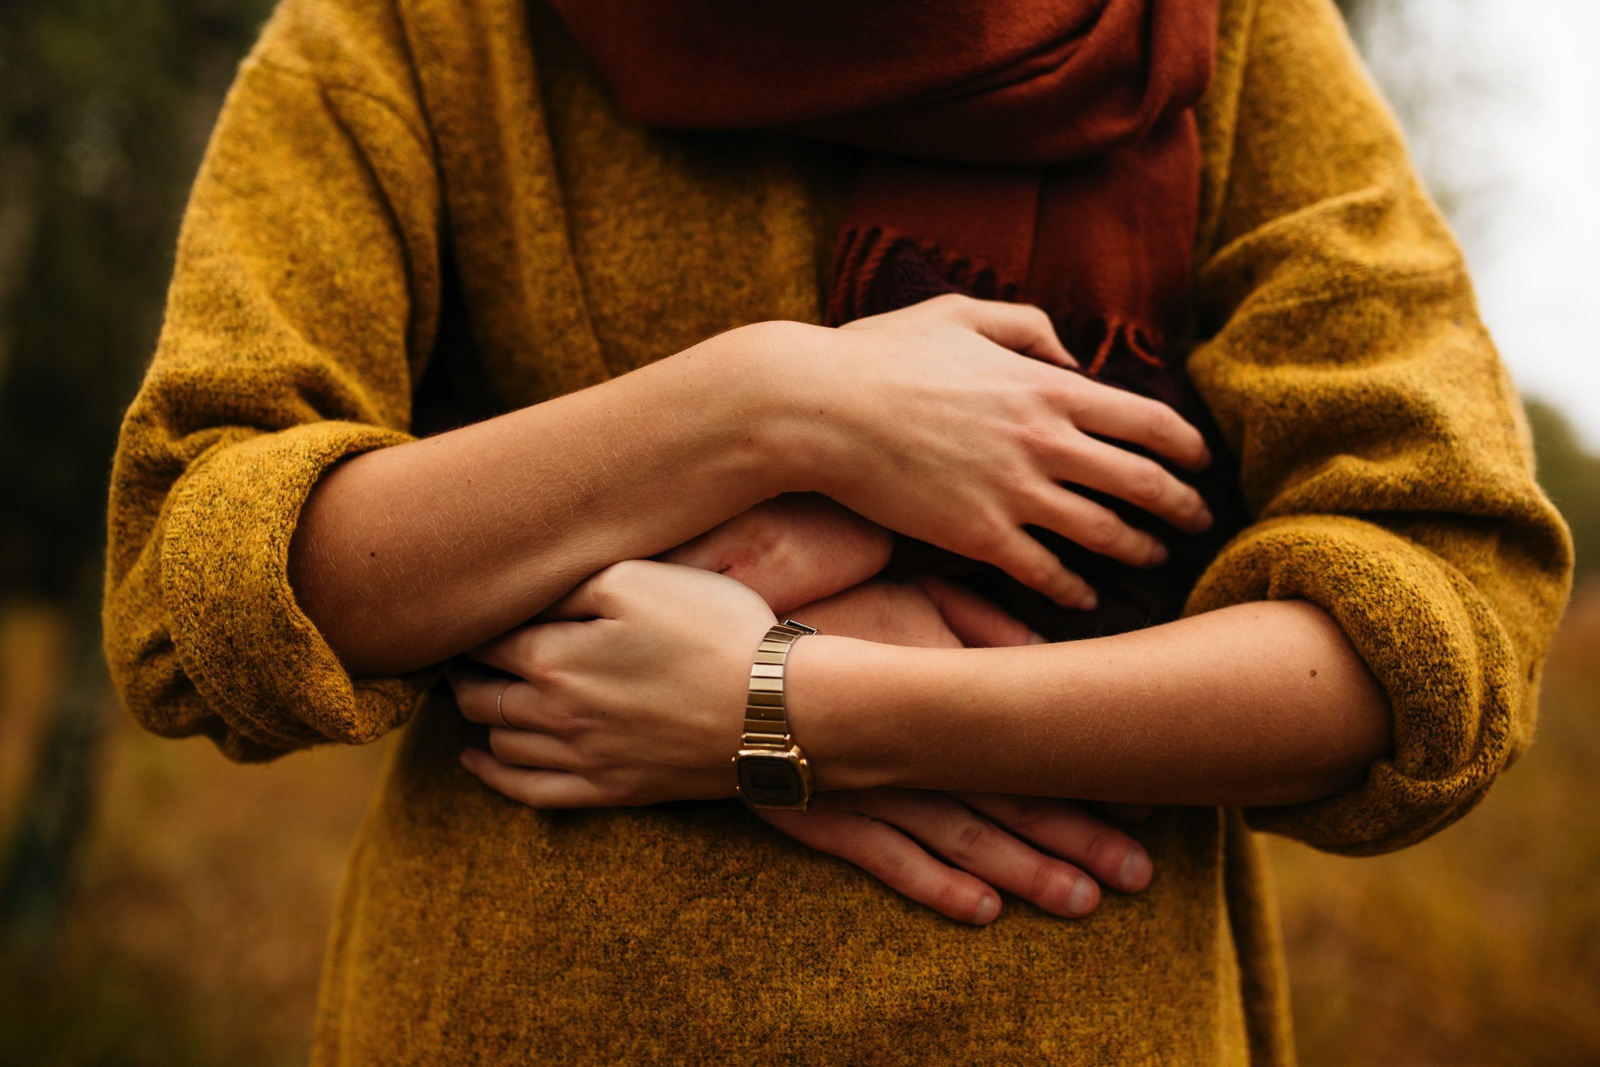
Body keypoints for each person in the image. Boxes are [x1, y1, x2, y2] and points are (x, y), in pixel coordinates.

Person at [102, 0, 1571, 1062]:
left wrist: (804, 706)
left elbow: (1443, 631)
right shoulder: (418, 32)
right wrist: (765, 406)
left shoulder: (1227, 35)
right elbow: (195, 583)